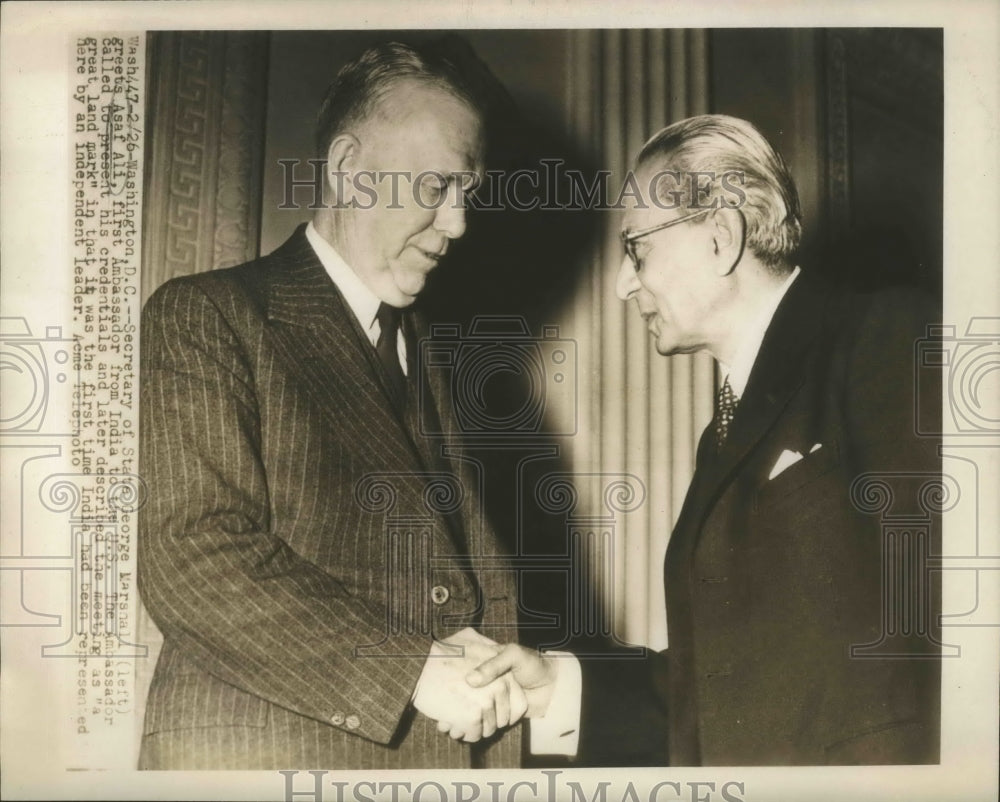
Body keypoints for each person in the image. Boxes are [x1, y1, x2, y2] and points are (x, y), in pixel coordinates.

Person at [466, 114, 942, 765]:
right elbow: (723, 691)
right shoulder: (723, 433)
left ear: (719, 238)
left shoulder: (893, 339)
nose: (623, 283)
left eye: (636, 248)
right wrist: (559, 687)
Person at [137, 40, 526, 770]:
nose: (459, 225)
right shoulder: (206, 314)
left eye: (468, 195)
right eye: (439, 187)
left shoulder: (432, 353)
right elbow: (191, 553)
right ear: (348, 167)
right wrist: (407, 670)